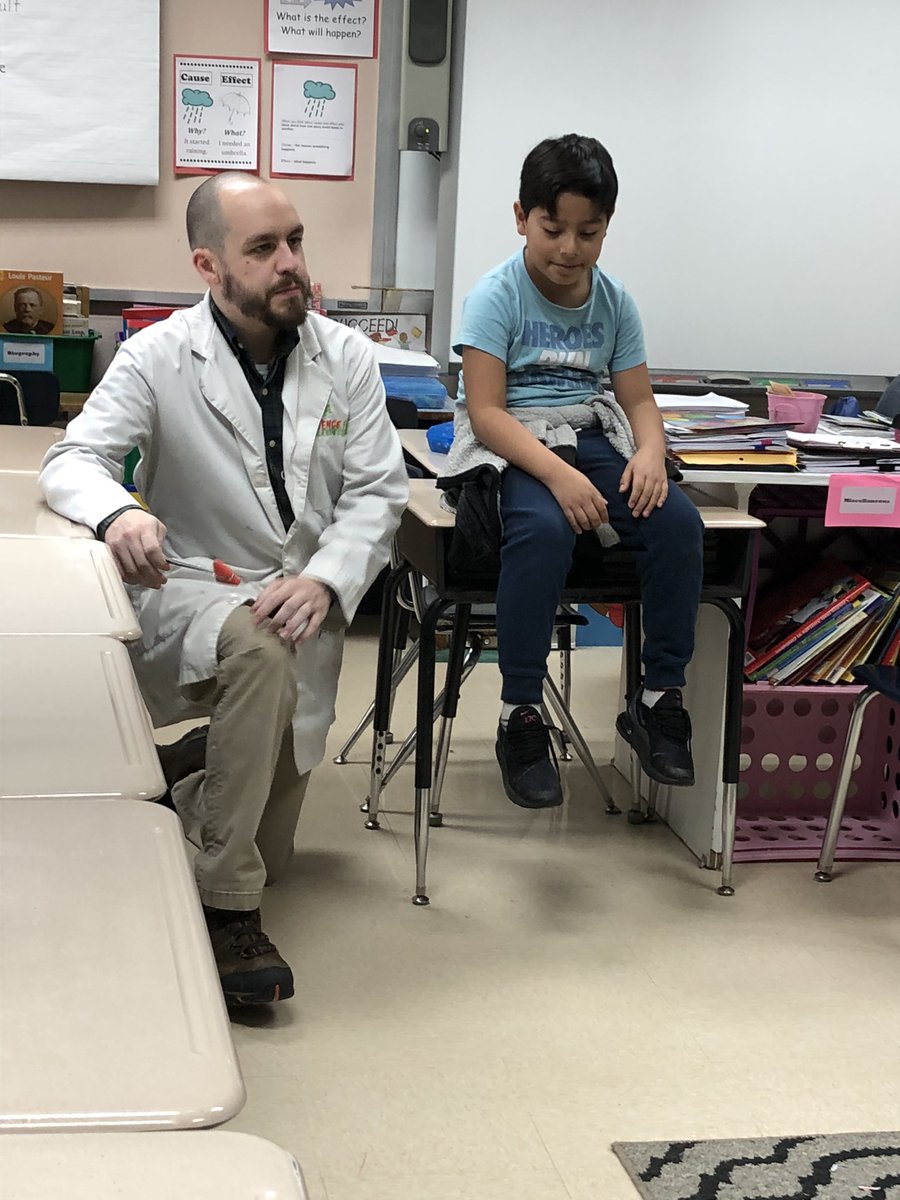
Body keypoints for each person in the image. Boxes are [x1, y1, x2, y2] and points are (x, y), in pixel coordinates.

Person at [40, 173, 408, 1005]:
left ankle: (198, 768)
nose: (292, 266)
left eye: (297, 241)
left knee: (272, 844)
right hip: (198, 592)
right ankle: (226, 909)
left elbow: (378, 492)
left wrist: (325, 577)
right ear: (209, 265)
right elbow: (74, 461)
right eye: (264, 249)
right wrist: (118, 516)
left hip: (299, 600)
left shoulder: (345, 358)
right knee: (260, 656)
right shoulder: (159, 354)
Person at [440, 134, 704, 810]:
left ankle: (656, 698)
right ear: (521, 216)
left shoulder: (614, 302)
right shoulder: (495, 296)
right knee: (544, 533)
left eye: (589, 233)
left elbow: (639, 398)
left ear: (606, 228)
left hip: (591, 433)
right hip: (518, 443)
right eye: (553, 228)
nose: (569, 248)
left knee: (677, 523)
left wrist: (648, 452)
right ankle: (520, 713)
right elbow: (486, 412)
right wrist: (556, 478)